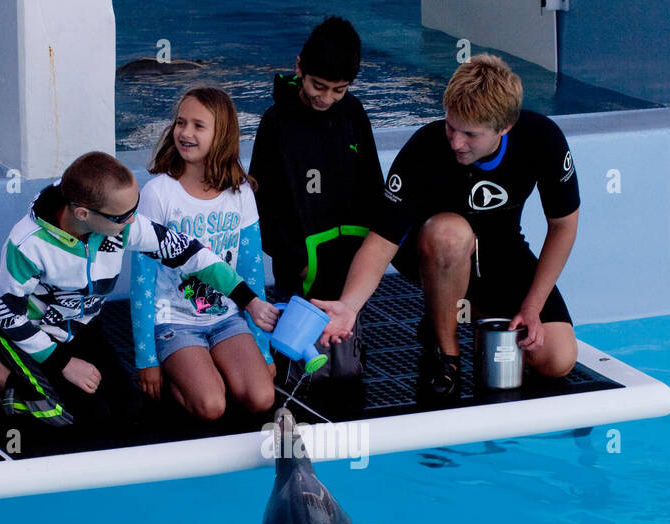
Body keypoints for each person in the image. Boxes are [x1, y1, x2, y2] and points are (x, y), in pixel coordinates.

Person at [0, 151, 278, 431]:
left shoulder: (117, 222)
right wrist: (63, 363)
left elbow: (186, 252)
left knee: (130, 413)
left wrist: (247, 300)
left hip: (82, 326)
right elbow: (6, 313)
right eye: (124, 216)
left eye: (135, 208)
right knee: (62, 417)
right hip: (28, 331)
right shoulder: (27, 244)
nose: (133, 221)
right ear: (83, 213)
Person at [313, 54, 581, 397]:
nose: (455, 142)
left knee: (557, 359)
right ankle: (445, 351)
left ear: (505, 127)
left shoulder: (542, 139)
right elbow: (380, 243)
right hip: (435, 252)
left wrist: (531, 305)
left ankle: (469, 312)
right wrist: (349, 306)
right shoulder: (424, 149)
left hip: (501, 252)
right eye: (450, 126)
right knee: (451, 233)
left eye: (470, 134)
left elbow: (563, 226)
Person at [248, 15, 383, 382]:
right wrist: (295, 260)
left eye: (338, 90)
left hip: (350, 264)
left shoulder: (353, 113)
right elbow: (262, 202)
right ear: (299, 69)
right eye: (318, 86)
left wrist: (371, 254)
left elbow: (373, 185)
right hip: (301, 267)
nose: (327, 99)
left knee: (346, 370)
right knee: (301, 368)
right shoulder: (276, 123)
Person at [131, 88, 276, 421]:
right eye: (181, 123)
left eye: (199, 125)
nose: (185, 132)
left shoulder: (239, 192)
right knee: (211, 406)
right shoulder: (159, 193)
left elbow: (251, 274)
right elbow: (142, 282)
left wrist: (262, 348)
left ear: (221, 134)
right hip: (175, 322)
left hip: (226, 319)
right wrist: (147, 360)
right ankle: (179, 376)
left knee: (261, 397)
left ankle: (210, 368)